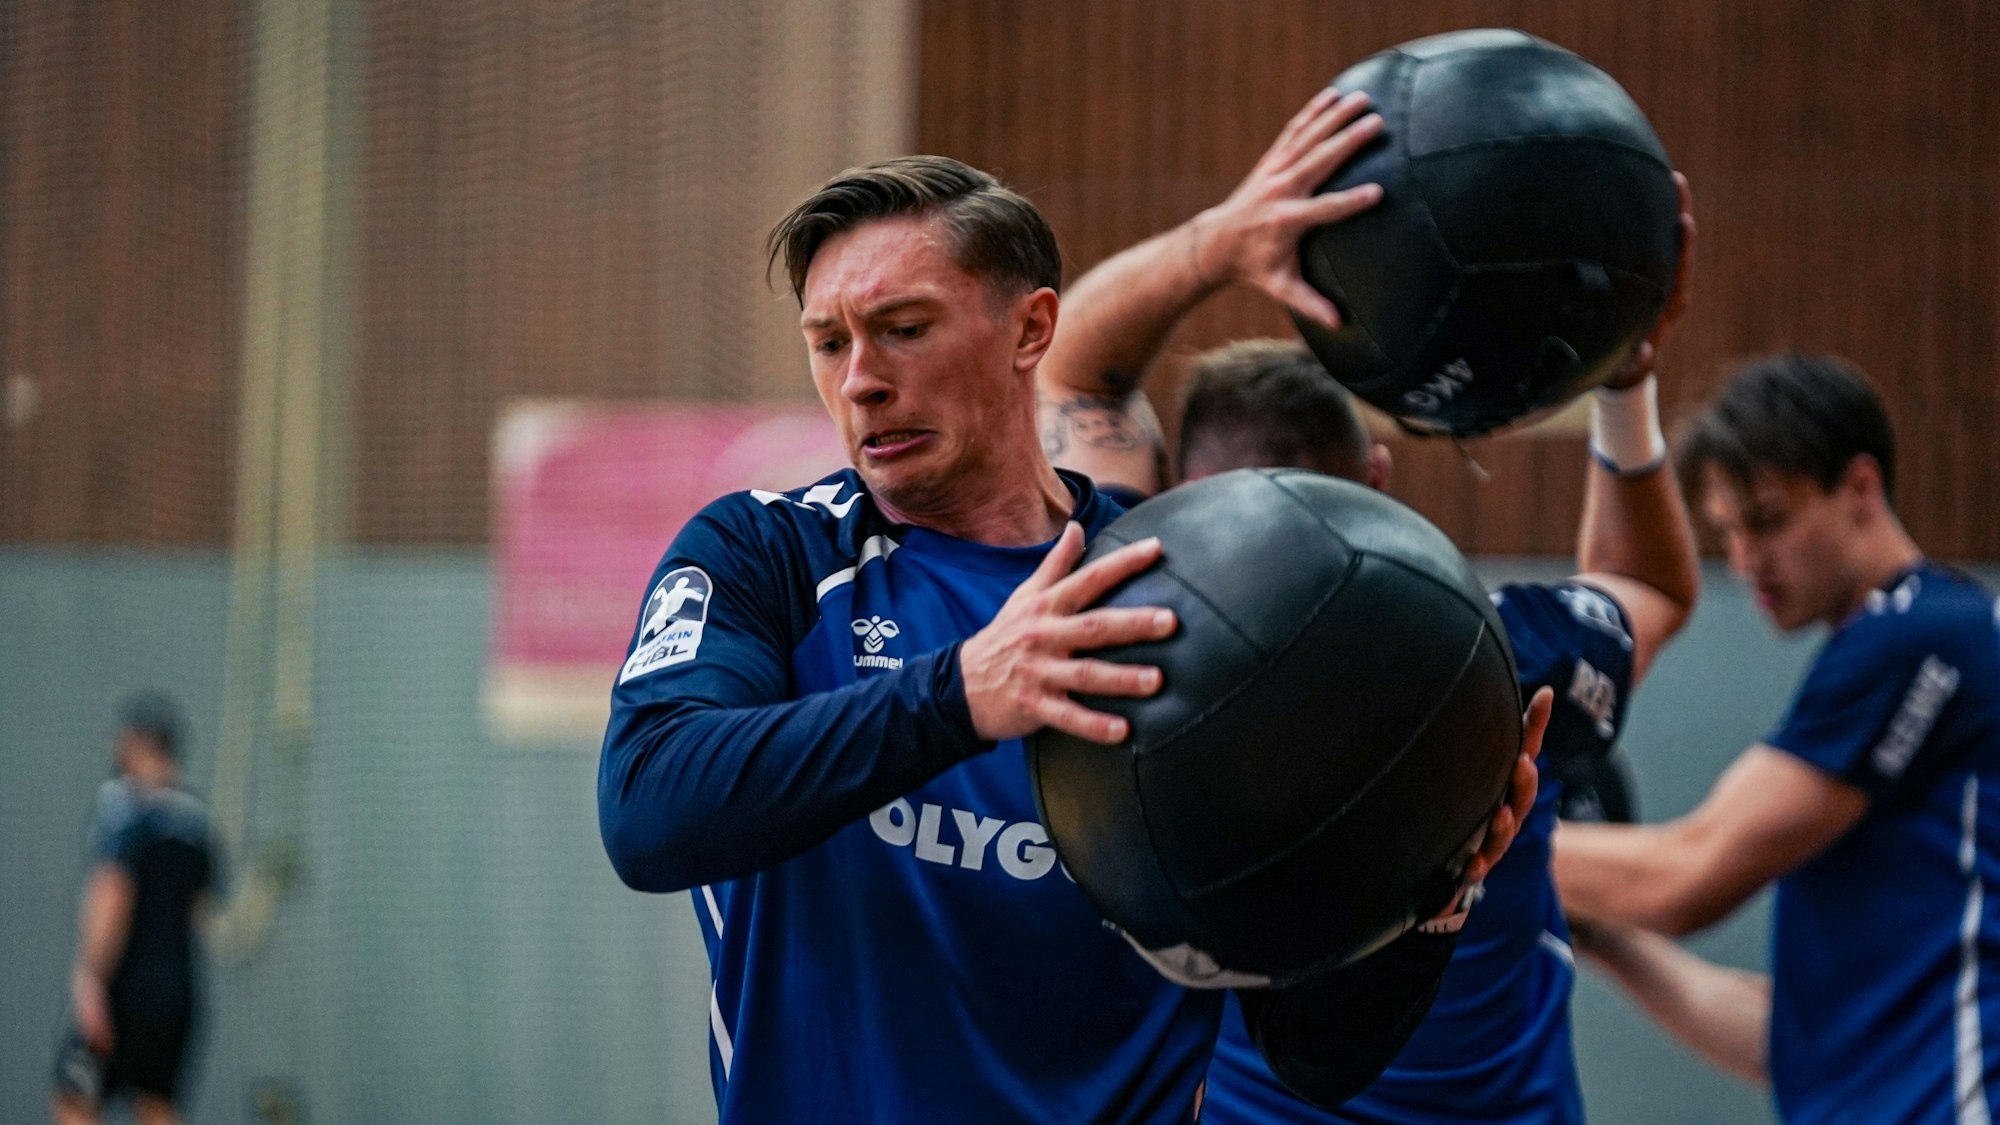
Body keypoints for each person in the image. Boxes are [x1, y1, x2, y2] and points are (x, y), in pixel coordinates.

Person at [597, 151, 1550, 1123]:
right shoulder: (767, 552)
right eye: (828, 342)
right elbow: (649, 809)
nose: (861, 381)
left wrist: (1434, 893)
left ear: (1031, 329)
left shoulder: (1183, 589)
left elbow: (1311, 1051)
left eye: (904, 329)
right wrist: (960, 695)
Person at [1036, 86, 1700, 1122]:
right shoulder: (1501, 654)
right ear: (1376, 485)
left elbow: (1072, 372)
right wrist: (1622, 380)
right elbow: (1647, 587)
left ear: (1175, 495)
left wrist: (1225, 241)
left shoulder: (1121, 648)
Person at [1553, 354, 2000, 1124]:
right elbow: (1795, 1047)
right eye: (1728, 531)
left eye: (1767, 520)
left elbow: (1687, 875)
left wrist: (1463, 841)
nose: (1746, 561)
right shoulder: (1907, 649)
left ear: (1860, 487)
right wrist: (1602, 934)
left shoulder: (1918, 635)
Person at [51, 693, 221, 1125]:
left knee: (74, 1098)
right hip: (178, 994)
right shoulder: (197, 820)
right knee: (157, 1105)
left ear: (136, 743)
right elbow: (201, 911)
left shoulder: (123, 807)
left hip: (124, 990)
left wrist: (91, 978)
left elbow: (112, 892)